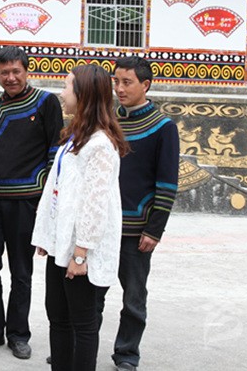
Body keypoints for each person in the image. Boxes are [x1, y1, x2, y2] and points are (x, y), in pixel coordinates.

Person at [0, 46, 63, 359]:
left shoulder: (46, 102)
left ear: (26, 71)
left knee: (21, 271)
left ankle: (18, 334)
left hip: (27, 201)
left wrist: (48, 199)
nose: (10, 78)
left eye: (16, 71)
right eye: (4, 72)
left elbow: (54, 152)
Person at [31, 64, 128, 371]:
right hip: (61, 245)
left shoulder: (100, 145)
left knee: (83, 323)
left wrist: (81, 253)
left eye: (67, 87)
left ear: (83, 94)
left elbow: (95, 204)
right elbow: (57, 189)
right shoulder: (75, 137)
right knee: (58, 317)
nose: (62, 93)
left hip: (80, 251)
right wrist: (48, 236)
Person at [110, 56, 180, 371]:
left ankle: (127, 353)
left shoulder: (163, 127)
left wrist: (154, 229)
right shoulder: (109, 121)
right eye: (116, 82)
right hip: (103, 224)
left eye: (127, 82)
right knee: (90, 294)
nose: (120, 89)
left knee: (134, 297)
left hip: (137, 229)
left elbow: (167, 184)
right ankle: (81, 346)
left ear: (145, 85)